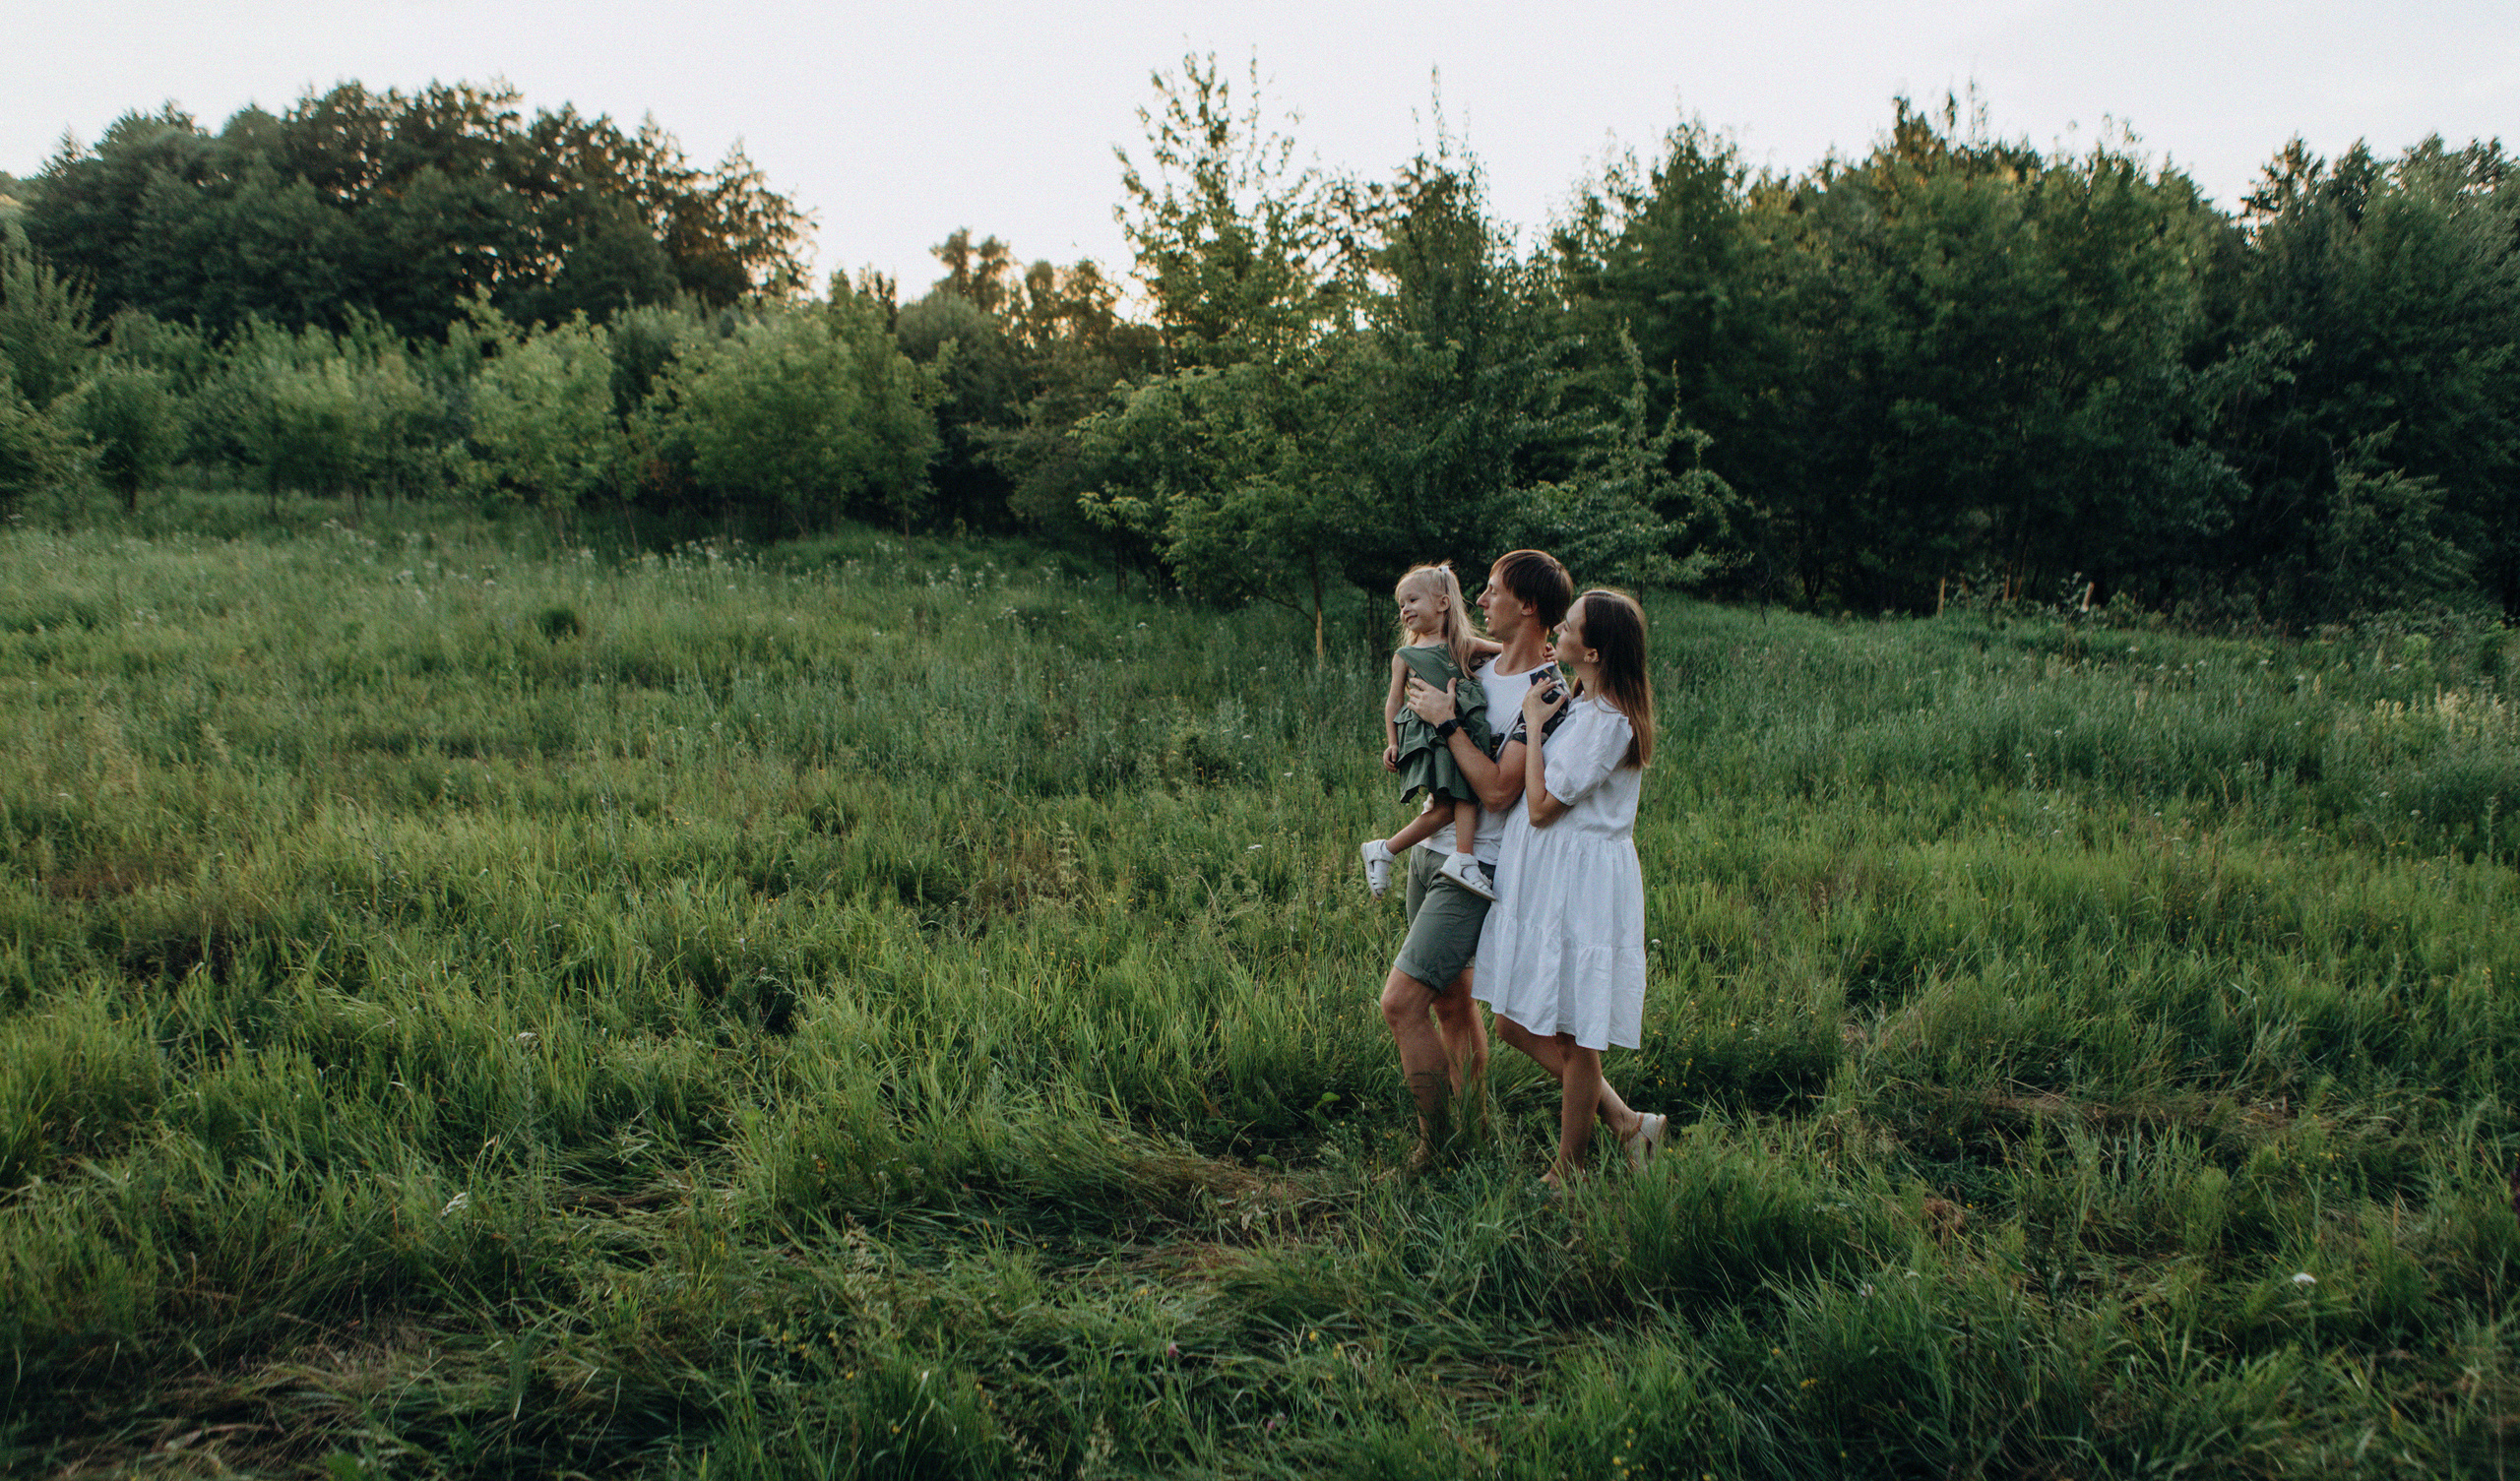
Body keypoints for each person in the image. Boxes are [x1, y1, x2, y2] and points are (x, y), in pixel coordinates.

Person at [1380, 549, 1574, 1162]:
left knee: (1400, 1003)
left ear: (1530, 606)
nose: (1481, 600)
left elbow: (1496, 790)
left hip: (1477, 863)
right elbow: (1457, 651)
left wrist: (1444, 722)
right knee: (1450, 1001)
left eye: (1492, 591)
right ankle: (1474, 1130)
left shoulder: (1548, 691)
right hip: (1429, 852)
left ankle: (1434, 1149)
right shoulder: (1474, 660)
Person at [1475, 589, 1667, 1188]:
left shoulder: (1609, 723)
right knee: (1511, 1021)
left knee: (1575, 1032)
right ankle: (1629, 1123)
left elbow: (1539, 808)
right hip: (1547, 877)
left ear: (1594, 650)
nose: (1558, 629)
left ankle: (1569, 1169)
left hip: (1579, 882)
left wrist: (1532, 724)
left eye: (1570, 626)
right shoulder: (1582, 702)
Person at [1359, 563, 1501, 902]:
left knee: (1465, 795)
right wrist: (1392, 742)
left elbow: (1507, 652)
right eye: (1401, 605)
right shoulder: (1405, 655)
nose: (1405, 609)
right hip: (1429, 737)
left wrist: (1545, 653)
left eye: (1412, 600)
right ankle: (1390, 849)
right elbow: (1393, 702)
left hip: (1461, 732)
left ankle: (1459, 857)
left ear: (1442, 603)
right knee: (1448, 802)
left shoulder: (1461, 644)